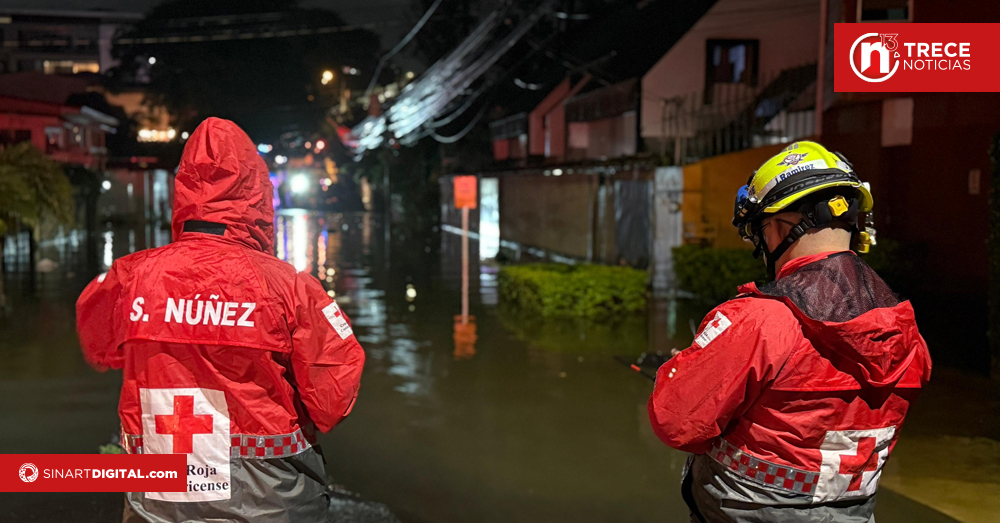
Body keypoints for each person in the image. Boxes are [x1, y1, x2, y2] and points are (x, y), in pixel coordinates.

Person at [76, 117, 365, 522]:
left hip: (161, 503)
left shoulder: (129, 277)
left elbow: (97, 345)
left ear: (184, 191)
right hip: (271, 504)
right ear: (257, 195)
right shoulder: (291, 288)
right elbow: (333, 401)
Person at [648, 141, 931, 523]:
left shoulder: (759, 320)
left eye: (759, 231)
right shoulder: (903, 327)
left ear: (779, 226)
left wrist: (684, 367)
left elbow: (676, 424)